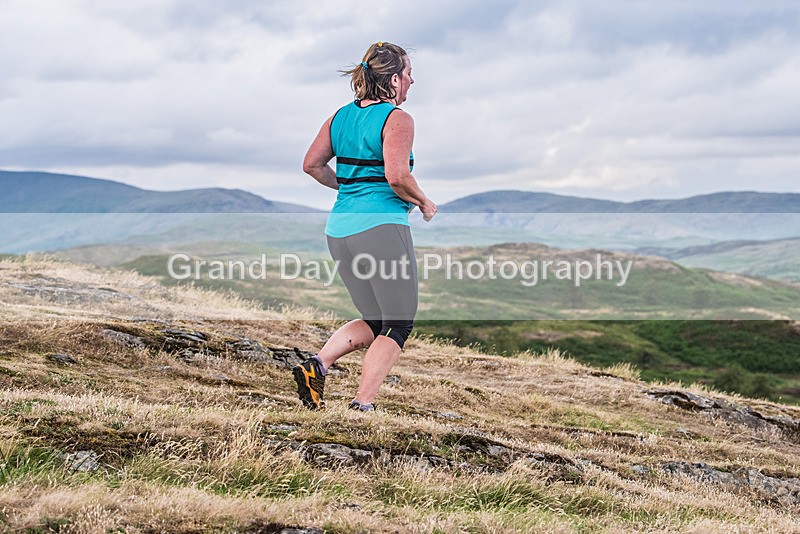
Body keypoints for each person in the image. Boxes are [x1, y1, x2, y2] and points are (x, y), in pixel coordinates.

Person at [294, 41, 437, 412]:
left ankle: (318, 366)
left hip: (340, 231)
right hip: (381, 230)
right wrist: (423, 201)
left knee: (376, 319)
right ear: (392, 80)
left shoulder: (338, 117)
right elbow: (397, 175)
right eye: (407, 74)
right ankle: (363, 405)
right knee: (398, 324)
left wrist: (350, 187)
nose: (411, 82)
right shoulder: (397, 119)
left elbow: (312, 165)